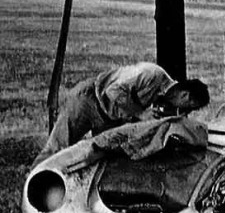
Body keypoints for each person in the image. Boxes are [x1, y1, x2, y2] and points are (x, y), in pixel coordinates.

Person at [34, 62, 210, 165]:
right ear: (185, 95)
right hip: (89, 100)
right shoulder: (151, 74)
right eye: (189, 106)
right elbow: (113, 91)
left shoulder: (165, 99)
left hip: (109, 117)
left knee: (103, 156)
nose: (185, 111)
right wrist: (141, 114)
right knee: (57, 148)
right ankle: (32, 184)